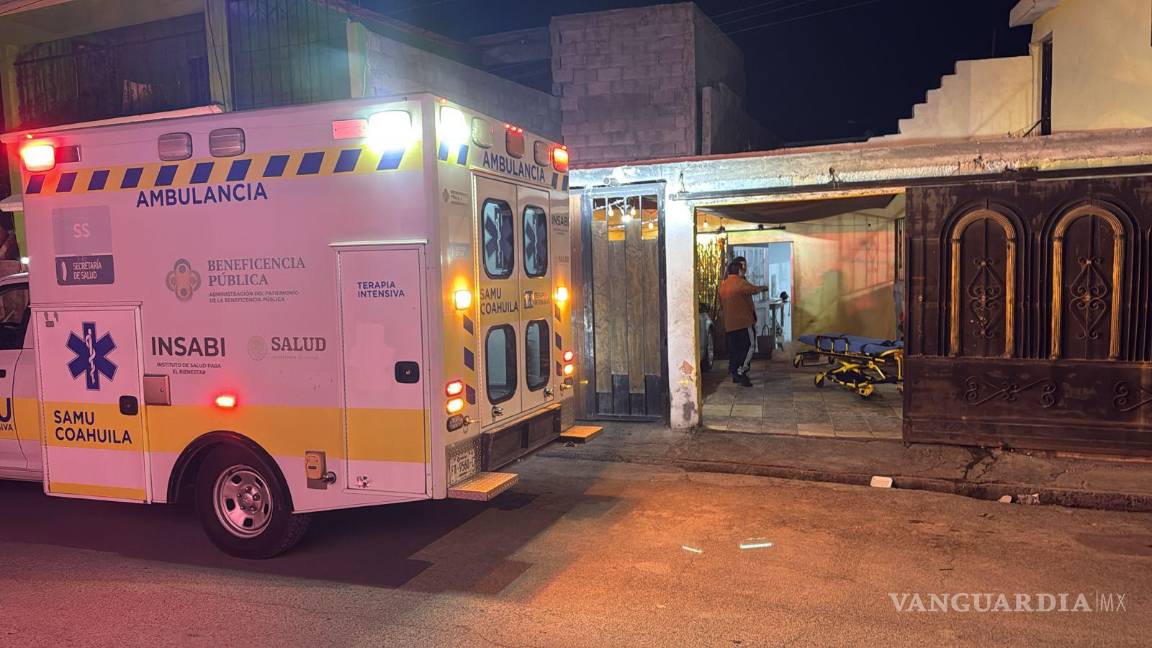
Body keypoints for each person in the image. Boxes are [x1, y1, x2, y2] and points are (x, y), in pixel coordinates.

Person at [719, 258, 769, 386]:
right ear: (739, 270)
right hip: (744, 323)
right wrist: (764, 287)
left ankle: (735, 373)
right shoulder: (741, 283)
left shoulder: (723, 285)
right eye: (743, 267)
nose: (745, 269)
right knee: (749, 347)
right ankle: (742, 372)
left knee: (735, 350)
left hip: (730, 325)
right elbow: (753, 289)